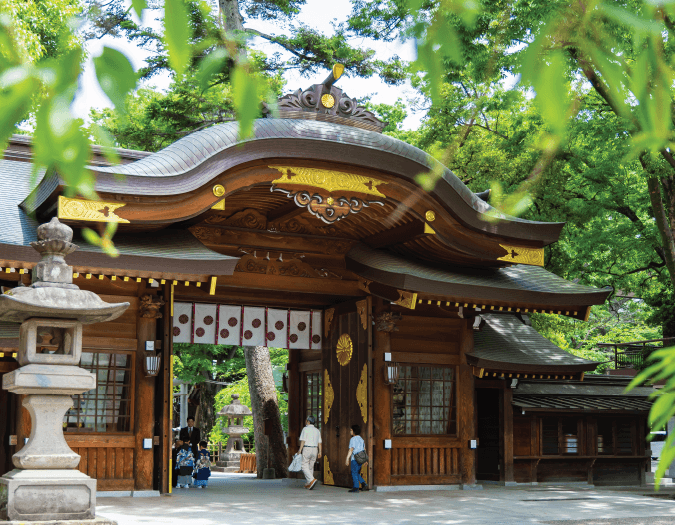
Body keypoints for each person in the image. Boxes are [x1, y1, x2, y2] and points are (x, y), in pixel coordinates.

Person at [298, 415, 322, 490]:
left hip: (307, 448)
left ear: (308, 421)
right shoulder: (317, 430)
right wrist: (320, 452)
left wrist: (300, 450)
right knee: (311, 467)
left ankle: (311, 480)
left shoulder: (305, 429)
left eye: (306, 420)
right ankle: (309, 483)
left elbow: (303, 440)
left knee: (304, 465)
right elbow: (320, 442)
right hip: (315, 449)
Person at [345, 424, 368, 493]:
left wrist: (347, 458)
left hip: (354, 459)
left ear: (354, 431)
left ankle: (356, 488)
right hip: (361, 458)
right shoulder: (361, 439)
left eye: (351, 430)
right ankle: (363, 483)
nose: (350, 431)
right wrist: (365, 460)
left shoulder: (353, 439)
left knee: (354, 472)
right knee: (356, 472)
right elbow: (364, 449)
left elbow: (351, 449)